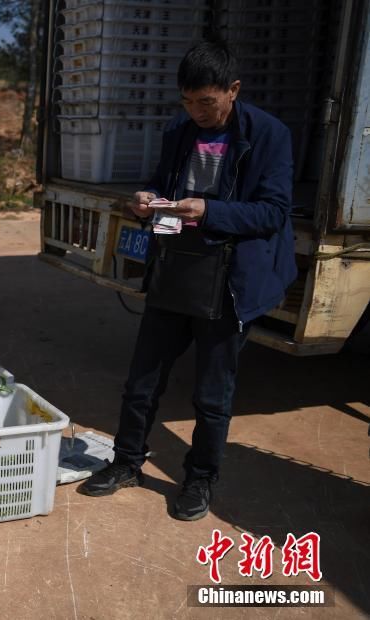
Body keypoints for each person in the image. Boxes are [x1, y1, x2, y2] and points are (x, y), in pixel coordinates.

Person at [80, 40, 297, 520]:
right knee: (142, 379)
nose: (196, 112)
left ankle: (200, 479)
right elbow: (163, 185)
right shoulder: (180, 130)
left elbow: (274, 212)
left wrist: (210, 210)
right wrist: (148, 200)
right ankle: (127, 462)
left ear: (233, 91)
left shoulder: (269, 135)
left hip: (231, 281)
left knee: (211, 393)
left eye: (207, 102)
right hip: (178, 267)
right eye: (187, 101)